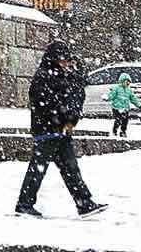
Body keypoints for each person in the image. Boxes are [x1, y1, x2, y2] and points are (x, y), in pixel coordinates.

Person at [15, 40, 106, 218]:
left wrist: (70, 117)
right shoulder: (44, 76)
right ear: (54, 59)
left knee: (70, 167)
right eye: (62, 60)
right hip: (47, 131)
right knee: (39, 167)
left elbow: (76, 93)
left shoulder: (64, 76)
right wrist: (64, 117)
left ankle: (84, 203)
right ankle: (24, 203)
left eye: (67, 60)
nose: (66, 63)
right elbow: (45, 104)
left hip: (60, 130)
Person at [106, 72, 141, 138]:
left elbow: (133, 98)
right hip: (116, 107)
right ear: (122, 81)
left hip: (125, 108)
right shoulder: (116, 88)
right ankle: (115, 131)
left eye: (129, 82)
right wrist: (107, 98)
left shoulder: (129, 90)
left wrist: (138, 104)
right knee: (118, 120)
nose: (128, 83)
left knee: (125, 121)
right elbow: (111, 95)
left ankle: (123, 131)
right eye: (126, 81)